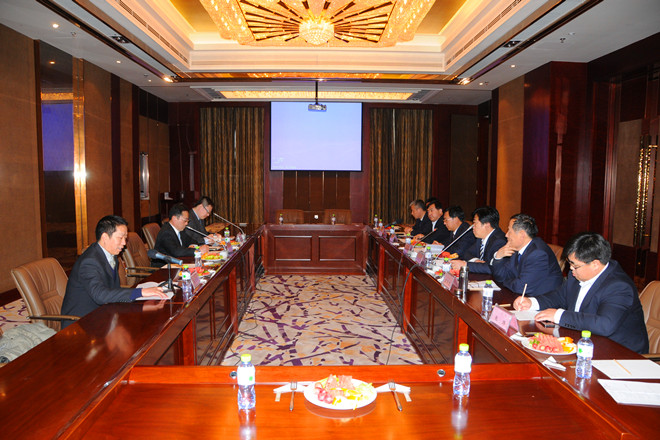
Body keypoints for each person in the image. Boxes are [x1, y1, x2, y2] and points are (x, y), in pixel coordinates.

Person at [514, 232, 649, 354]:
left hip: (619, 354)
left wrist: (559, 315)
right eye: (570, 263)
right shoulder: (577, 274)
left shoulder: (619, 286)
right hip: (584, 342)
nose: (571, 268)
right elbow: (559, 296)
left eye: (575, 265)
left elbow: (604, 325)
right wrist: (532, 302)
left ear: (595, 264)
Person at [60, 215, 168, 328]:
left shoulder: (110, 255)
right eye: (120, 238)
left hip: (104, 314)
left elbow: (112, 290)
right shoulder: (89, 262)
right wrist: (140, 292)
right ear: (105, 237)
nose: (124, 243)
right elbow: (100, 295)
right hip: (81, 323)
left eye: (125, 238)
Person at [490, 213, 563, 296]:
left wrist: (505, 282)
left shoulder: (538, 254)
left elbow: (520, 287)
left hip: (542, 299)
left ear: (522, 234)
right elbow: (501, 276)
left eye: (509, 231)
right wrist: (498, 256)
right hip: (524, 296)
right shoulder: (517, 248)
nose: (506, 235)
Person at [452, 206, 507, 274]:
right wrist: (476, 260)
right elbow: (467, 253)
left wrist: (465, 265)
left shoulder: (499, 241)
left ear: (487, 225)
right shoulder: (481, 237)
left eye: (475, 223)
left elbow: (492, 268)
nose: (473, 227)